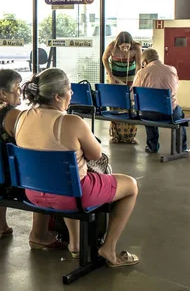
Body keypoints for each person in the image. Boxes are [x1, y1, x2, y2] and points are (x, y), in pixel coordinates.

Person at [16, 68, 140, 267]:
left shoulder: (21, 118)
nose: (71, 94)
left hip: (34, 192)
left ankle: (75, 244)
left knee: (66, 177)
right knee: (131, 186)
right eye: (69, 90)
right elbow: (96, 155)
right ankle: (108, 248)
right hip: (72, 195)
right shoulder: (72, 122)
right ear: (58, 97)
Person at [0, 69, 63, 248]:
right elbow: (29, 145)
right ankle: (39, 234)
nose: (20, 92)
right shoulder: (10, 113)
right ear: (3, 93)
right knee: (40, 171)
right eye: (16, 88)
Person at [132, 48, 189, 153]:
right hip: (170, 114)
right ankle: (182, 148)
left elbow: (133, 95)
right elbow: (175, 87)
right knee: (180, 113)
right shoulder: (172, 69)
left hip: (150, 114)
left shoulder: (141, 73)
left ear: (144, 62)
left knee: (148, 112)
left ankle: (152, 146)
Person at [102, 31, 142, 144]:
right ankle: (115, 135)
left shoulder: (136, 48)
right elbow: (104, 59)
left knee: (130, 106)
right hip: (114, 78)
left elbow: (139, 65)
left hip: (130, 78)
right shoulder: (112, 47)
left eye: (127, 47)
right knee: (115, 105)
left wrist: (136, 80)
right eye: (123, 47)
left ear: (131, 45)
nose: (125, 49)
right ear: (118, 45)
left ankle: (130, 136)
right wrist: (109, 73)